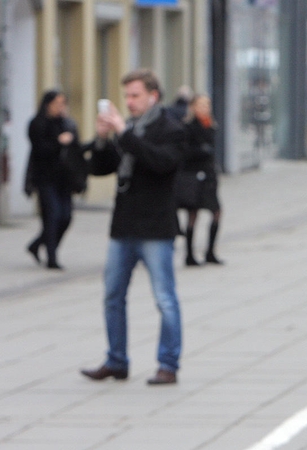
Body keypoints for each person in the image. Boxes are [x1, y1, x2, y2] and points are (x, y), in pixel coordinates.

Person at [80, 69, 186, 385]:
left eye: (135, 95)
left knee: (164, 299)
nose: (129, 102)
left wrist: (124, 134)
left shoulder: (171, 129)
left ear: (153, 96)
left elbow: (161, 164)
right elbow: (100, 169)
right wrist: (101, 140)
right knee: (112, 296)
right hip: (123, 225)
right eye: (126, 96)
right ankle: (116, 360)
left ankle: (168, 364)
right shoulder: (128, 129)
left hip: (156, 227)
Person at [24, 90, 80, 269]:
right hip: (44, 178)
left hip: (64, 178)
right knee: (52, 215)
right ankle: (52, 257)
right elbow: (39, 150)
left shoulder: (67, 124)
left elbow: (75, 149)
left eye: (63, 104)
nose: (61, 108)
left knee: (66, 217)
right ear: (48, 104)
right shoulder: (38, 123)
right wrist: (58, 141)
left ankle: (37, 244)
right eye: (57, 104)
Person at [175, 94, 223, 266]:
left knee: (216, 212)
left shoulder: (211, 125)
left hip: (208, 176)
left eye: (207, 105)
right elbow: (184, 152)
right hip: (193, 176)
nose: (205, 108)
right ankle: (189, 255)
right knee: (192, 214)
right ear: (193, 107)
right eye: (201, 105)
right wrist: (201, 150)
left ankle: (210, 251)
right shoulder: (187, 127)